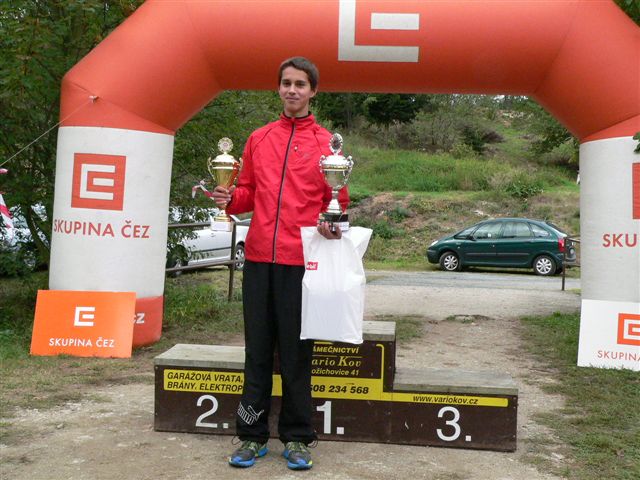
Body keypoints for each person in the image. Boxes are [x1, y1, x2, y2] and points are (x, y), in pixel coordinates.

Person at [210, 56, 349, 470]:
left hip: (300, 262)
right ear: (279, 88)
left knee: (295, 355)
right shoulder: (259, 138)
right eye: (286, 83)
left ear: (313, 91)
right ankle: (250, 435)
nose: (292, 90)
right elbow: (248, 193)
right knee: (256, 352)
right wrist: (228, 198)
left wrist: (333, 224)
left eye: (300, 84)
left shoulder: (328, 145)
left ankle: (298, 437)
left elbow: (337, 203)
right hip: (258, 259)